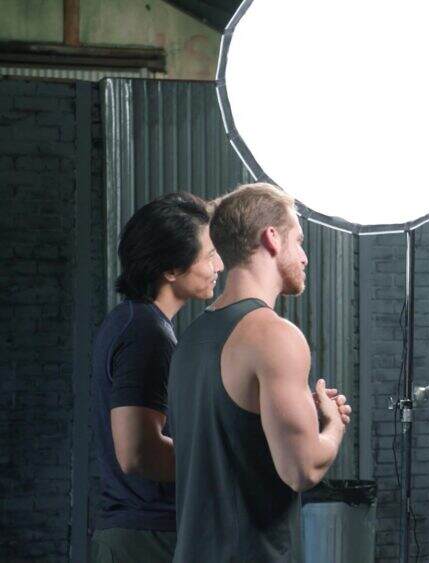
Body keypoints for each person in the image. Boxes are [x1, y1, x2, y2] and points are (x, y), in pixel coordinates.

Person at [168, 183, 352, 562]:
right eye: (298, 240)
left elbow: (231, 440)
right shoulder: (274, 335)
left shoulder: (191, 339)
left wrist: (295, 416)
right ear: (271, 238)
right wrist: (332, 425)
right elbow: (301, 470)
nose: (303, 257)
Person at [90, 193, 223, 562]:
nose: (220, 265)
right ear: (170, 269)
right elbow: (138, 452)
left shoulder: (136, 322)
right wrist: (224, 463)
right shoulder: (146, 332)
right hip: (144, 540)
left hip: (141, 534)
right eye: (210, 254)